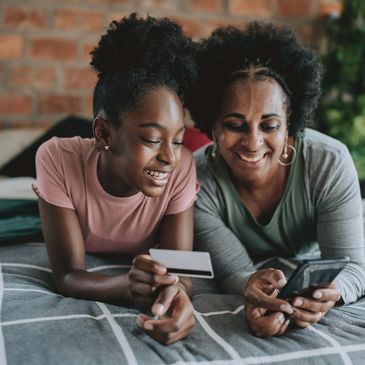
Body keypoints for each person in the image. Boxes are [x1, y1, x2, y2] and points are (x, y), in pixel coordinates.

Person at [187, 21, 365, 337]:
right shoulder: (198, 181)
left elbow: (354, 266)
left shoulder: (328, 162)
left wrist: (330, 293)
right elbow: (235, 271)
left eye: (269, 126)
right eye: (235, 125)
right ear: (211, 127)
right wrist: (255, 292)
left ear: (290, 124)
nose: (253, 143)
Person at [33, 13, 198, 345]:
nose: (169, 156)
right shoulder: (56, 159)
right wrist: (128, 286)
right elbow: (67, 276)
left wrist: (173, 297)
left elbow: (182, 270)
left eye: (178, 140)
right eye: (153, 139)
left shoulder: (182, 167)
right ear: (104, 132)